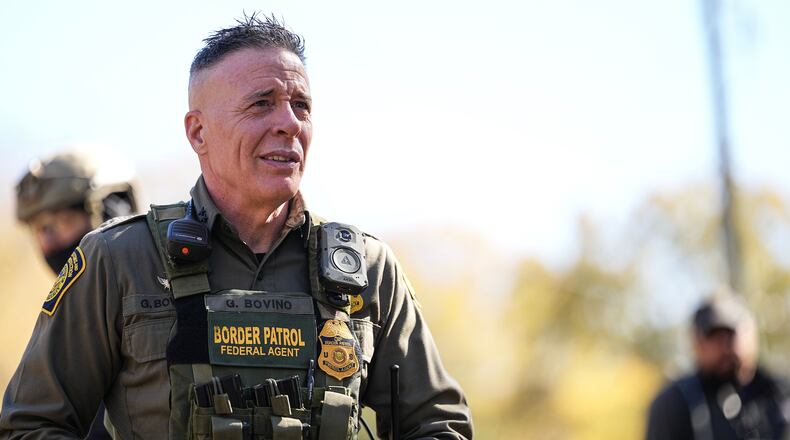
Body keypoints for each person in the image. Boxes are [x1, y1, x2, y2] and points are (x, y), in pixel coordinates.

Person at [0, 14, 473, 440]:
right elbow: (31, 426)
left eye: (301, 106)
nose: (289, 123)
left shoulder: (365, 269)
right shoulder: (120, 258)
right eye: (261, 104)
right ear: (198, 132)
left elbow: (438, 424)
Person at [13, 149, 139, 440]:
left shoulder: (173, 300)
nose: (46, 241)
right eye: (38, 229)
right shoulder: (61, 336)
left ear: (112, 212)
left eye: (59, 222)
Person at [645, 293, 790, 440]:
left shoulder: (781, 396)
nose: (725, 347)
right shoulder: (674, 404)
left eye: (731, 334)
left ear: (752, 334)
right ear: (696, 342)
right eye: (713, 337)